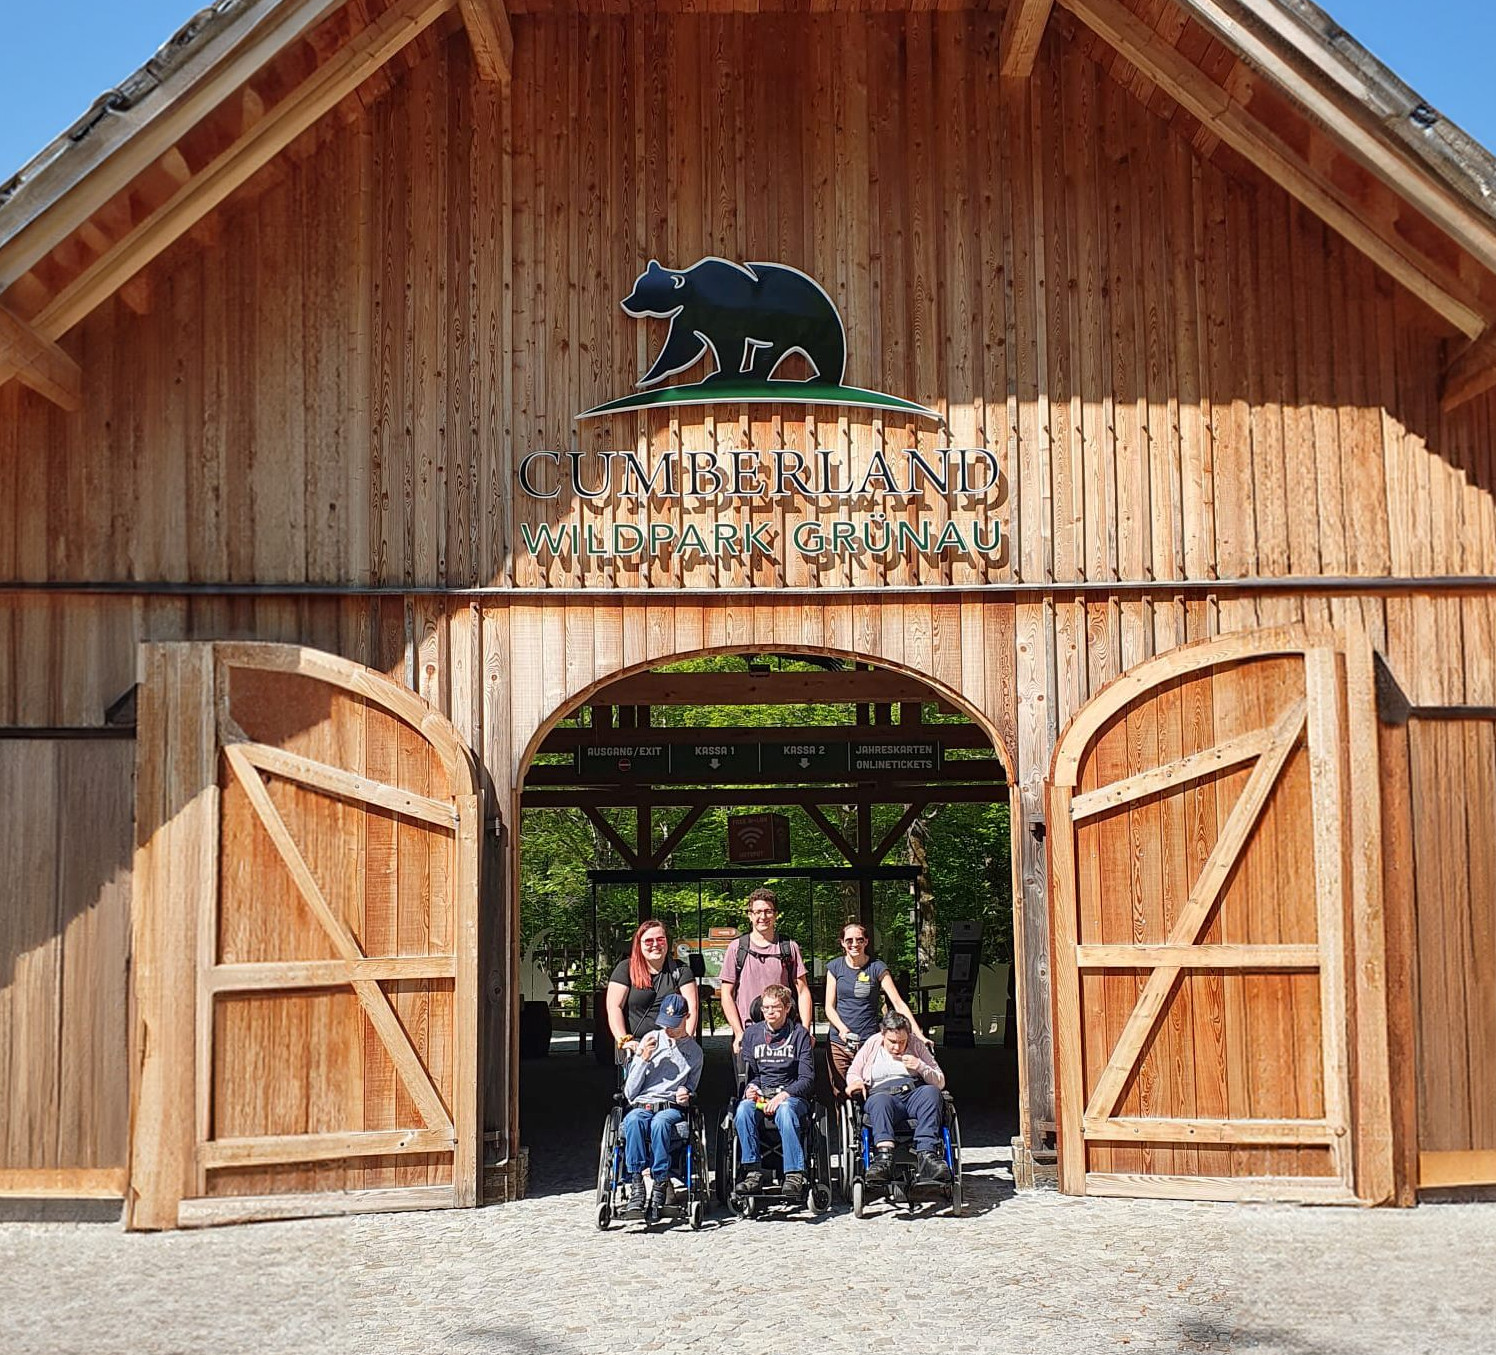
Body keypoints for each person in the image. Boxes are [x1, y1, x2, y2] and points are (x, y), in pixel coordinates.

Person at [619, 993, 703, 1223]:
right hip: (643, 1102)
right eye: (666, 1025)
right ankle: (636, 1182)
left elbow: (692, 1089)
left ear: (686, 1017)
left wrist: (686, 1094)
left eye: (674, 1025)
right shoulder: (650, 1040)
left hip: (670, 1106)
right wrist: (643, 1059)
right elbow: (629, 1093)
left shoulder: (694, 1052)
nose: (669, 1030)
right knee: (634, 1120)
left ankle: (660, 1181)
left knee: (660, 1123)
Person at [824, 918, 927, 1099]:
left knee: (871, 1090)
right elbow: (829, 1007)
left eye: (859, 940)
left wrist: (919, 1035)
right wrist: (842, 1029)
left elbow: (898, 1003)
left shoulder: (877, 967)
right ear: (842, 943)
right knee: (842, 1094)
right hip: (839, 1043)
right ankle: (846, 1126)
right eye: (849, 940)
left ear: (866, 942)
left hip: (869, 1041)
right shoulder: (834, 967)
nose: (854, 944)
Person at [845, 1010, 952, 1185]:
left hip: (912, 1092)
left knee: (932, 1092)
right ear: (883, 1034)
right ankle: (884, 1158)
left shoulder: (916, 1044)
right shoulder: (873, 1043)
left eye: (902, 1042)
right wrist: (856, 1082)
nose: (897, 1047)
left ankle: (927, 1155)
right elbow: (853, 1072)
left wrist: (920, 1066)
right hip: (882, 1094)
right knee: (880, 1101)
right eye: (892, 1042)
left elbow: (940, 1081)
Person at [733, 983, 816, 1203]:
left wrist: (783, 1096)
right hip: (763, 1094)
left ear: (787, 1008)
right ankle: (752, 1171)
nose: (769, 1012)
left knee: (786, 1111)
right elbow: (750, 1074)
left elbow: (806, 1079)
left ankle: (794, 1174)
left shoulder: (800, 1035)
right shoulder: (751, 1034)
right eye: (766, 1007)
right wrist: (751, 1088)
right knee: (742, 1110)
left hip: (791, 1095)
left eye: (775, 1007)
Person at [718, 887, 813, 1053]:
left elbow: (803, 991)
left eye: (768, 911)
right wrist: (738, 1032)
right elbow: (726, 994)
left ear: (776, 915)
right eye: (758, 912)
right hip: (748, 1033)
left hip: (785, 1033)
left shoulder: (788, 948)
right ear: (750, 915)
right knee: (749, 1079)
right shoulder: (737, 948)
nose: (763, 917)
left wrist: (805, 1029)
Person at [606, 918, 699, 1058]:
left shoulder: (681, 971)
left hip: (672, 1046)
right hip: (637, 1048)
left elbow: (692, 1009)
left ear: (667, 942)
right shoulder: (625, 969)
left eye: (660, 939)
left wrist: (686, 1042)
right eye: (649, 941)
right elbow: (614, 1007)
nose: (655, 944)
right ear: (639, 945)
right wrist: (623, 1040)